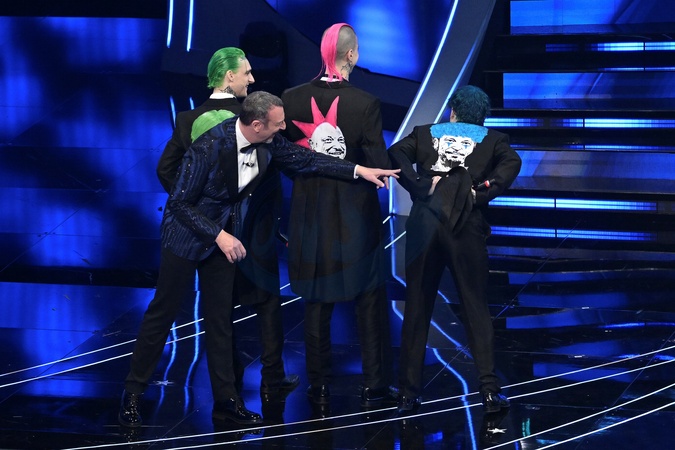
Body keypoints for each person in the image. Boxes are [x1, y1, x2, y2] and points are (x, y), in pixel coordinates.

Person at [118, 90, 398, 428]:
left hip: (226, 240)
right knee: (162, 314)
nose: (284, 128)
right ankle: (132, 394)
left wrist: (359, 170)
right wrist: (218, 234)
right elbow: (179, 204)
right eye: (278, 123)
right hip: (187, 236)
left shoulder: (269, 141)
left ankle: (227, 402)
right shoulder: (209, 147)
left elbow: (306, 159)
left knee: (220, 321)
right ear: (256, 124)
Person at [156, 47, 301, 407]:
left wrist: (198, 208)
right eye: (247, 73)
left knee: (220, 313)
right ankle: (271, 378)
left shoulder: (189, 118)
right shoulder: (254, 117)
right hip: (252, 229)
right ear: (229, 75)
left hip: (209, 233)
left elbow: (166, 170)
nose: (252, 78)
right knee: (265, 301)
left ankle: (231, 385)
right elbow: (281, 163)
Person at [280, 23, 397, 408]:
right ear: (351, 55)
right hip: (356, 219)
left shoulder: (292, 98)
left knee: (316, 301)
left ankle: (319, 385)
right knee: (369, 300)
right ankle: (375, 384)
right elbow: (378, 165)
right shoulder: (366, 103)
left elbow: (287, 160)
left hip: (309, 216)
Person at [389, 85, 521, 414]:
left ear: (453, 112)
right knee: (475, 304)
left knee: (417, 304)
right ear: (482, 117)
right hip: (465, 224)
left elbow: (395, 153)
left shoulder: (425, 132)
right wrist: (482, 192)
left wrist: (420, 185)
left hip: (424, 223)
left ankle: (407, 393)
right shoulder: (494, 139)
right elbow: (512, 163)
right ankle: (489, 391)